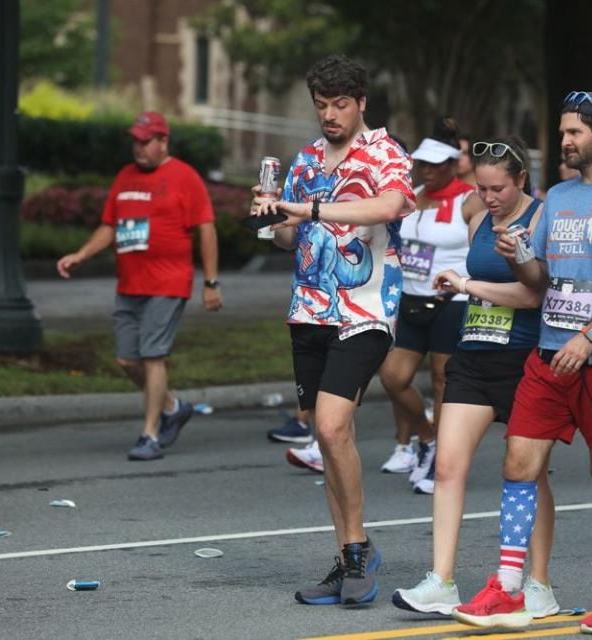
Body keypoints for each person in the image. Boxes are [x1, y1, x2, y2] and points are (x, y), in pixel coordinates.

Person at [451, 91, 592, 634]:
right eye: (564, 131)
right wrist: (519, 259)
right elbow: (540, 281)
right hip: (547, 357)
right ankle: (510, 587)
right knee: (518, 464)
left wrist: (589, 336)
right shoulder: (559, 197)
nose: (564, 141)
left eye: (573, 132)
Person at [250, 54, 414, 607]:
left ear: (361, 102)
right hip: (309, 311)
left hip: (365, 311)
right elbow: (286, 237)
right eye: (321, 106)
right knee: (326, 435)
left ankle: (360, 550)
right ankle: (350, 554)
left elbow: (390, 204)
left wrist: (305, 207)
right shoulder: (306, 160)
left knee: (331, 420)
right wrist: (272, 218)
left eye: (340, 104)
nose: (330, 115)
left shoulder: (385, 152)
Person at [392, 136, 560, 618]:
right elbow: (484, 290)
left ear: (521, 180)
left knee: (532, 476)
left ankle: (539, 584)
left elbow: (533, 295)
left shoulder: (541, 217)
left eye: (498, 189)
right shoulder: (480, 221)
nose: (488, 198)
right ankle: (441, 580)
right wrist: (458, 289)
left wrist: (467, 284)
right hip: (473, 351)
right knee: (448, 466)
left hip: (525, 357)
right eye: (482, 188)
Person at [56, 111, 221, 461]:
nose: (138, 148)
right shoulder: (126, 177)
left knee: (152, 356)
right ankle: (173, 407)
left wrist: (210, 281)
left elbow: (206, 229)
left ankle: (150, 435)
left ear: (163, 142)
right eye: (135, 141)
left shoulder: (184, 177)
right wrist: (81, 255)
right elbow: (110, 226)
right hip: (130, 282)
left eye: (145, 142)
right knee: (126, 360)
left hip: (169, 281)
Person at [379, 119, 483, 489]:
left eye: (435, 164)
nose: (426, 170)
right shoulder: (409, 195)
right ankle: (427, 437)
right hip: (410, 297)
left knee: (443, 381)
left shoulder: (470, 201)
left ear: (453, 164)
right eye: (422, 163)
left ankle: (441, 461)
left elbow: (482, 251)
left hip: (451, 301)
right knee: (392, 376)